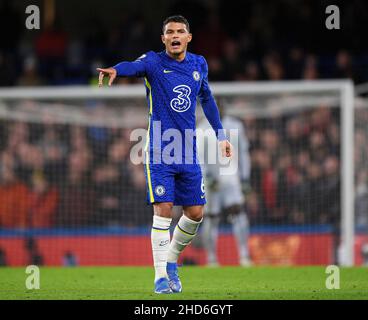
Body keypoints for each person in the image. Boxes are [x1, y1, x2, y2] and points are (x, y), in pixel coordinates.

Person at [97, 15, 232, 294]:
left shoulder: (199, 64)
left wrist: (221, 135)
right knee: (164, 209)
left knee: (195, 213)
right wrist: (116, 70)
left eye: (180, 31)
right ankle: (160, 277)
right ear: (163, 38)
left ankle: (170, 261)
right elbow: (133, 66)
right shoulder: (154, 61)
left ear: (188, 37)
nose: (174, 35)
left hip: (187, 150)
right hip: (160, 148)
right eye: (169, 31)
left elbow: (206, 98)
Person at [198, 101, 252, 266]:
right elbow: (198, 157)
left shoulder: (236, 125)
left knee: (238, 213)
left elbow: (243, 153)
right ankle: (212, 258)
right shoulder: (201, 129)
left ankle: (244, 256)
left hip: (231, 177)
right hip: (211, 181)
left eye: (220, 107)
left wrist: (245, 177)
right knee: (211, 218)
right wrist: (206, 177)